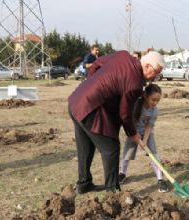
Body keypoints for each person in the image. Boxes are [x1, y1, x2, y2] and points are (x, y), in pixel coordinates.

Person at [68, 50, 164, 194]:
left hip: (76, 100)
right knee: (111, 148)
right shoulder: (135, 84)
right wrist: (133, 134)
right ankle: (113, 191)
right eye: (156, 72)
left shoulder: (123, 55)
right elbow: (124, 113)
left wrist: (90, 83)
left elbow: (96, 64)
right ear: (147, 66)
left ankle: (84, 184)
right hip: (91, 108)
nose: (156, 76)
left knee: (86, 146)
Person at [118, 83, 169, 193]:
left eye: (157, 101)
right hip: (132, 132)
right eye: (153, 99)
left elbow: (149, 126)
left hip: (147, 133)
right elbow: (129, 122)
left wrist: (144, 141)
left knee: (154, 155)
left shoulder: (154, 110)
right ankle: (122, 173)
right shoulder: (136, 105)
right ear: (145, 95)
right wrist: (137, 138)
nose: (155, 103)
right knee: (127, 154)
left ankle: (160, 180)